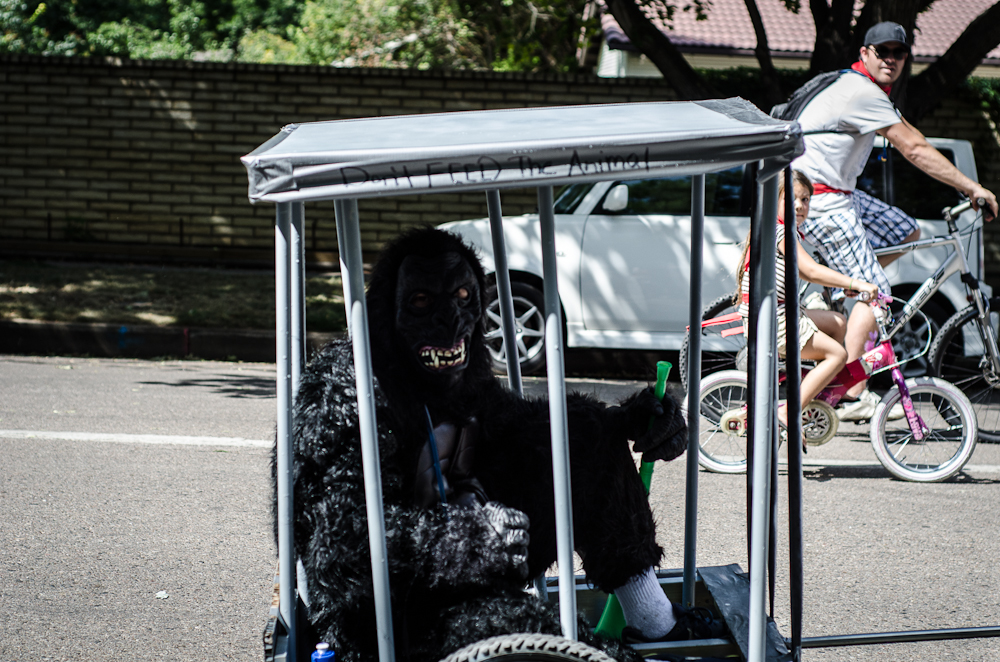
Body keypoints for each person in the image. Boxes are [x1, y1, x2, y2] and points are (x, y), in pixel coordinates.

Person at [284, 228, 722, 662]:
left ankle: (654, 621)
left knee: (584, 429)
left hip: (466, 561)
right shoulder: (348, 387)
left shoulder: (459, 360)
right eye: (422, 303)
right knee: (574, 650)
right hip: (387, 612)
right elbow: (337, 552)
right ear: (385, 311)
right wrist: (456, 538)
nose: (451, 321)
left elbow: (511, 428)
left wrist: (623, 422)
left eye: (462, 298)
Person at [792, 21, 998, 421]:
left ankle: (842, 294)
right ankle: (849, 390)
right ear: (865, 53)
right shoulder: (862, 92)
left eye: (898, 53)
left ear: (906, 58)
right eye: (882, 51)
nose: (890, 59)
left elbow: (910, 137)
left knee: (905, 230)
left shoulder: (860, 88)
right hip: (819, 200)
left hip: (837, 193)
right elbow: (914, 147)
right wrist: (972, 188)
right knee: (877, 295)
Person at [736, 171, 879, 443]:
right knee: (837, 355)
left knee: (837, 322)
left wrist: (845, 285)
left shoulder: (776, 228)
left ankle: (817, 389)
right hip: (773, 319)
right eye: (791, 199)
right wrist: (856, 282)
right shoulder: (779, 231)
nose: (800, 205)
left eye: (805, 199)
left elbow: (800, 272)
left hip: (775, 311)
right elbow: (811, 271)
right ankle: (790, 411)